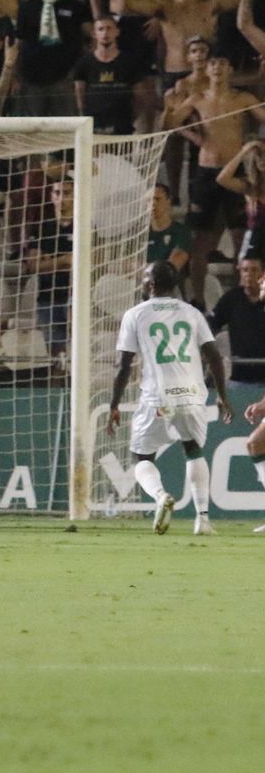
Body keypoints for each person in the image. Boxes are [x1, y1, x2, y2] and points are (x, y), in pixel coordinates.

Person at [107, 260, 230, 536]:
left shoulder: (136, 315)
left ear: (150, 284)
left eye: (143, 279)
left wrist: (114, 404)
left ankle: (161, 496)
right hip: (192, 394)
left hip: (157, 396)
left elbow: (123, 365)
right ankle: (203, 520)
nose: (141, 283)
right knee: (193, 450)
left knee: (141, 457)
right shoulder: (192, 313)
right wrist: (222, 396)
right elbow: (214, 356)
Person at [169, 56, 265, 303]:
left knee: (240, 238)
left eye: (223, 63)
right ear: (206, 69)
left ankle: (243, 296)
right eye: (213, 63)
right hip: (206, 172)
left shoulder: (242, 98)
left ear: (230, 68)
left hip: (235, 172)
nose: (218, 67)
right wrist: (191, 134)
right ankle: (198, 299)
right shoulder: (197, 98)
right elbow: (170, 123)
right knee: (201, 242)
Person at [17, 0, 94, 115]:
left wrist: (80, 71)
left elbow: (93, 37)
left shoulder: (77, 7)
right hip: (32, 78)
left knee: (65, 127)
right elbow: (18, 43)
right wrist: (15, 76)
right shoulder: (26, 8)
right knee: (33, 128)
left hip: (65, 77)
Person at [24, 176, 74, 365]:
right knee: (55, 357)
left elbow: (91, 261)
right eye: (57, 192)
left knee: (76, 350)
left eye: (67, 193)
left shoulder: (85, 226)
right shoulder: (42, 227)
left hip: (75, 297)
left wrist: (50, 260)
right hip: (47, 296)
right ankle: (57, 392)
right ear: (51, 196)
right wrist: (65, 259)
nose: (61, 197)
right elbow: (34, 265)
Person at [73, 16, 150, 135]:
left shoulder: (130, 62)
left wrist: (130, 120)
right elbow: (80, 97)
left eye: (109, 28)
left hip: (122, 124)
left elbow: (139, 97)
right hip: (94, 126)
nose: (105, 33)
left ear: (117, 32)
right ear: (94, 34)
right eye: (101, 29)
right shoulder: (84, 63)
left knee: (124, 154)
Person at [209, 249, 265, 383]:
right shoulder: (231, 298)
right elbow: (212, 325)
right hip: (238, 375)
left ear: (263, 273)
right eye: (245, 270)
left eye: (254, 270)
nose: (249, 275)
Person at [146, 182, 192, 280]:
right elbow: (123, 265)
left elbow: (170, 269)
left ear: (168, 201)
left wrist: (137, 268)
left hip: (169, 288)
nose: (153, 204)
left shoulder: (181, 232)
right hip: (140, 286)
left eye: (157, 199)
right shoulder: (139, 234)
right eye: (148, 201)